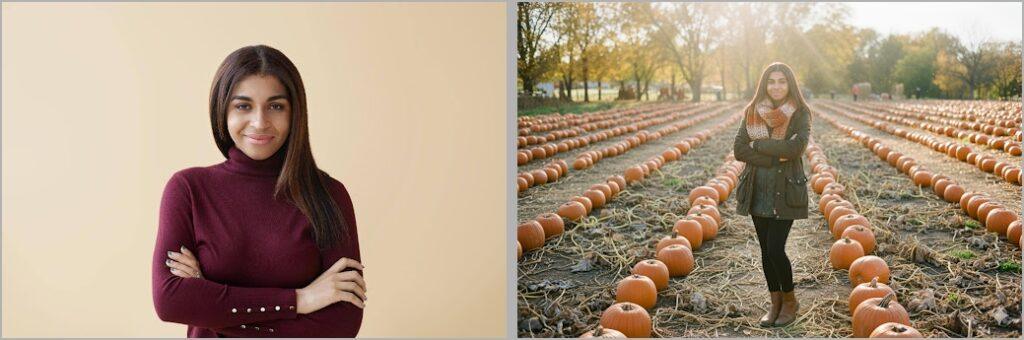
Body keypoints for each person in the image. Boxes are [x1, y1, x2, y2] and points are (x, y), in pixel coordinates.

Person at [152, 45, 365, 337]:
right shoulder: (188, 190)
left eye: (276, 106)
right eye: (243, 106)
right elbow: (171, 303)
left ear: (295, 113)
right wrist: (300, 300)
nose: (260, 122)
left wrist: (212, 306)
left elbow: (341, 326)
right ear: (222, 110)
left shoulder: (329, 196)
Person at [732, 62, 811, 327]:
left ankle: (790, 302)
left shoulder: (800, 113)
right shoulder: (752, 111)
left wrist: (760, 145)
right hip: (757, 188)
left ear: (790, 85)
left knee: (777, 248)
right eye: (771, 81)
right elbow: (740, 149)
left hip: (785, 189)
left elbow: (795, 148)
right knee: (766, 251)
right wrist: (772, 156)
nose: (776, 86)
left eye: (782, 81)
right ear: (764, 84)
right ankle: (774, 302)